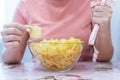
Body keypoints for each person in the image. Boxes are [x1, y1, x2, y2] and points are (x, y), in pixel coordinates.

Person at [1, 0, 113, 64]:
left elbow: (104, 57)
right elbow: (11, 59)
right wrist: (11, 45)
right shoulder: (26, 4)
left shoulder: (94, 3)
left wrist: (104, 25)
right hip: (42, 74)